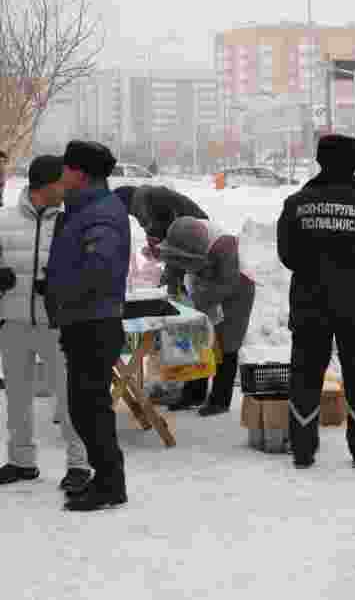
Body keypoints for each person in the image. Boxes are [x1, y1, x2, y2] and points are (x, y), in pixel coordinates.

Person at [277, 134, 355, 469]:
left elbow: (287, 255)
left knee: (305, 373)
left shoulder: (296, 204)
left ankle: (302, 448)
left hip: (308, 304)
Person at [46, 140, 131, 511]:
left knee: (89, 407)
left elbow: (99, 269)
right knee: (85, 406)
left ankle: (111, 483)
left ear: (79, 173)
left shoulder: (101, 213)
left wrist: (62, 290)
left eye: (66, 169)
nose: (61, 175)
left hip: (94, 323)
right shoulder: (84, 208)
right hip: (83, 319)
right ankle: (107, 477)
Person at [0, 155, 90, 493]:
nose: (66, 189)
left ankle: (79, 464)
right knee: (17, 397)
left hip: (58, 325)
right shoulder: (3, 219)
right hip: (13, 323)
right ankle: (22, 461)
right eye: (60, 183)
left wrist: (59, 285)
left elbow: (85, 272)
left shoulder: (71, 224)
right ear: (45, 185)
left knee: (68, 397)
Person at [114, 184, 211, 410]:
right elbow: (166, 238)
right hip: (187, 253)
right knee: (183, 320)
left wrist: (170, 269)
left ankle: (189, 389)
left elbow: (172, 237)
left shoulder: (150, 203)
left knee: (187, 322)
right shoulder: (150, 201)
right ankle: (183, 387)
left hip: (193, 253)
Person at [156, 217, 255, 417]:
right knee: (198, 338)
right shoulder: (183, 235)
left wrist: (197, 302)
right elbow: (174, 263)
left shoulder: (225, 245)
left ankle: (220, 399)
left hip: (237, 287)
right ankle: (194, 394)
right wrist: (170, 287)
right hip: (205, 283)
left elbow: (227, 284)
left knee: (226, 341)